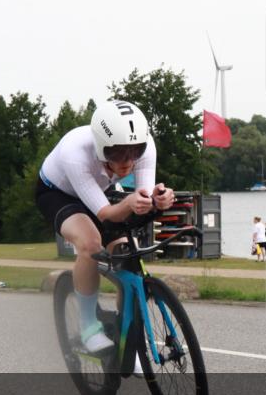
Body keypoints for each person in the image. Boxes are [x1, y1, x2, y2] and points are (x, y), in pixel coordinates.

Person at [36, 99, 175, 354]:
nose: (128, 162)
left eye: (135, 152)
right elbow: (106, 214)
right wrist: (132, 202)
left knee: (125, 254)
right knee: (90, 244)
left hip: (99, 189)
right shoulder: (74, 153)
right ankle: (88, 326)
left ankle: (127, 340)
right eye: (118, 154)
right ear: (101, 148)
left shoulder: (145, 148)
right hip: (58, 193)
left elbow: (141, 199)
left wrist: (159, 199)